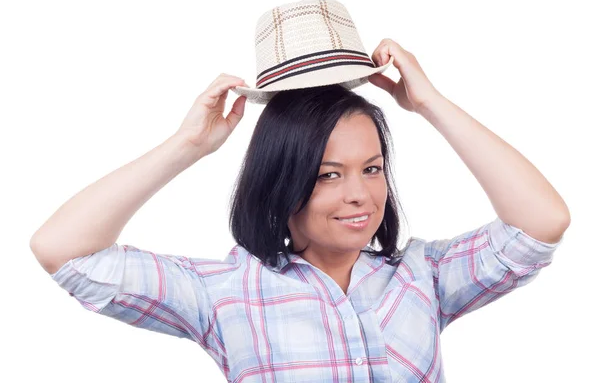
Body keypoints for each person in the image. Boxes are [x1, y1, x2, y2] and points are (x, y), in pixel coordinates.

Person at [30, 38, 570, 382]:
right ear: (280, 183)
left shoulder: (422, 276)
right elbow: (65, 251)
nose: (359, 194)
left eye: (372, 168)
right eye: (327, 175)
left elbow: (541, 223)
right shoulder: (225, 292)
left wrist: (429, 103)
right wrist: (187, 146)